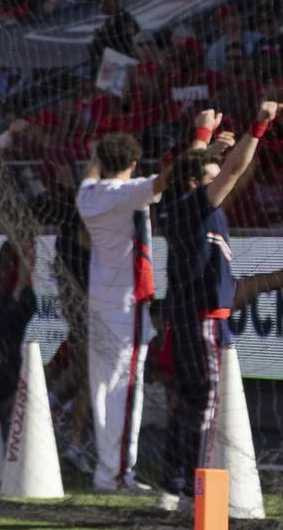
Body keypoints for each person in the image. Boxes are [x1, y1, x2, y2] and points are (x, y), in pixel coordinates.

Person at [155, 104, 277, 503]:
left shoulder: (176, 208)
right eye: (209, 173)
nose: (217, 176)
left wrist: (205, 137)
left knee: (189, 401)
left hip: (195, 320)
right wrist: (258, 124)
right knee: (203, 404)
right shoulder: (195, 206)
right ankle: (191, 487)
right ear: (195, 182)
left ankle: (173, 483)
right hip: (203, 322)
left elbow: (197, 168)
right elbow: (235, 171)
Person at [76, 131, 155, 492]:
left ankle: (107, 471)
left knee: (103, 388)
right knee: (125, 388)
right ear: (134, 164)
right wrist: (203, 141)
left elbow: (90, 175)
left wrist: (98, 155)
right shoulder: (130, 192)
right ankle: (118, 474)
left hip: (100, 302)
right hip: (126, 304)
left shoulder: (87, 195)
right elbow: (166, 182)